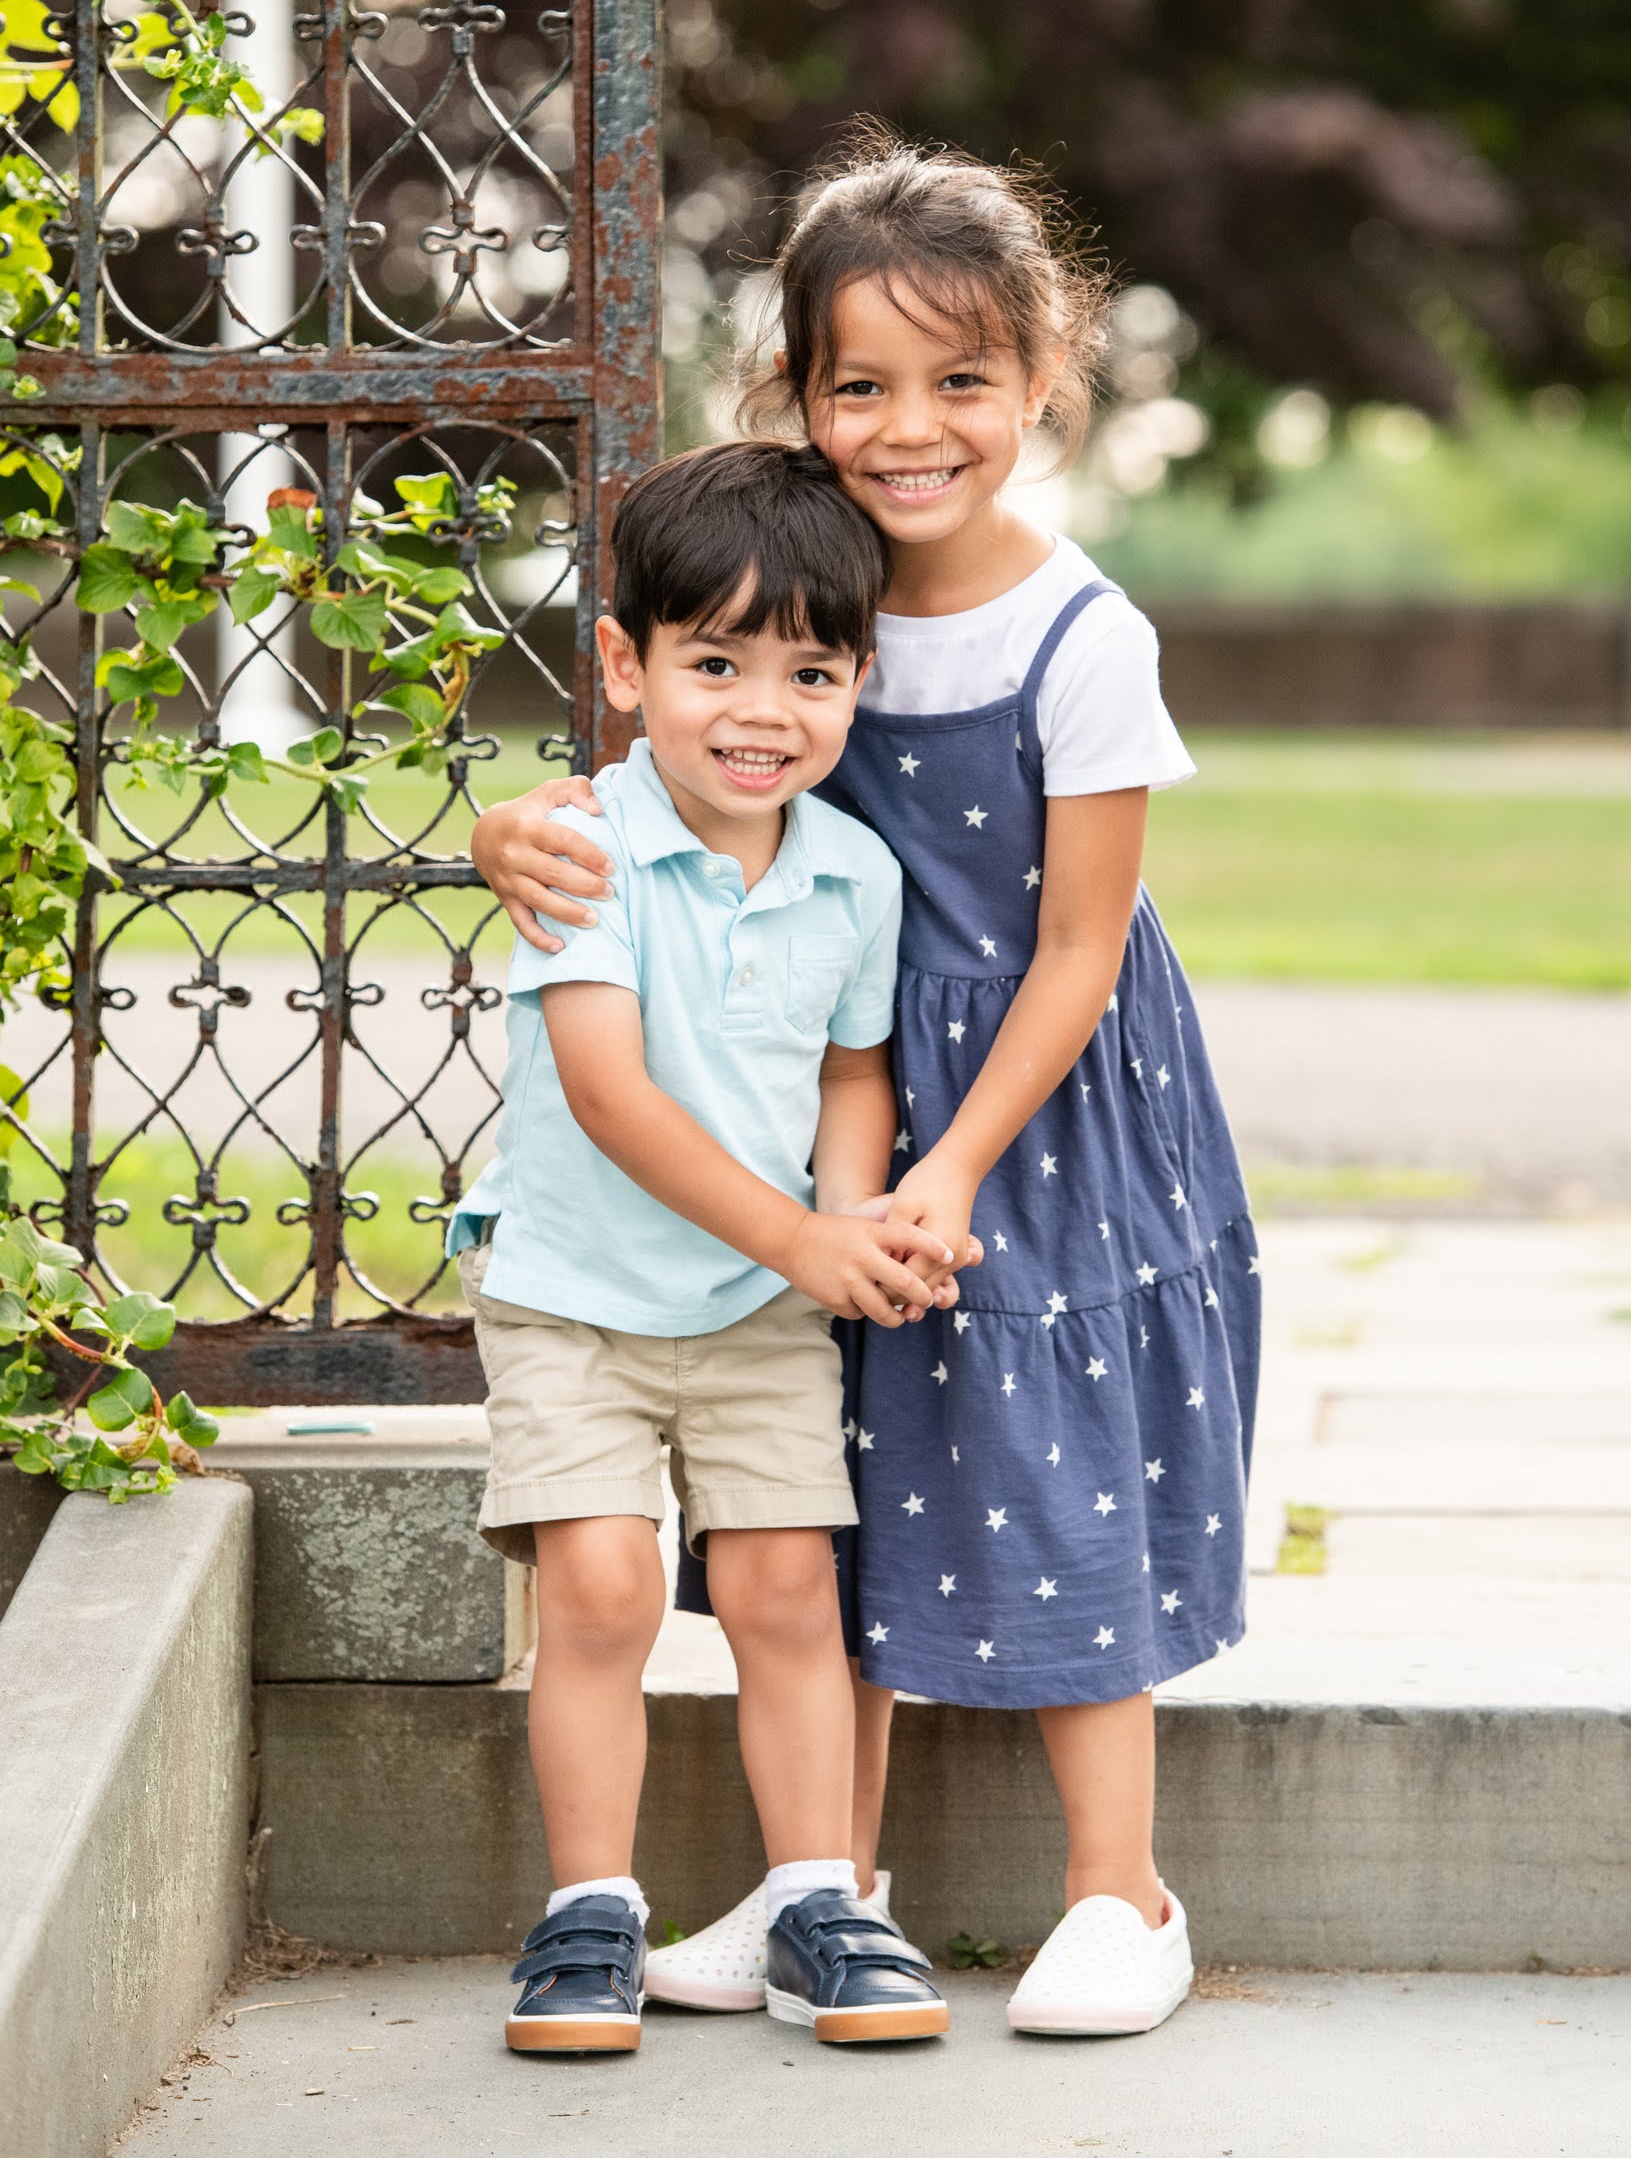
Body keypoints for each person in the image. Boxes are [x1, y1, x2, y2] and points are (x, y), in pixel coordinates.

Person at [470, 129, 1261, 2040]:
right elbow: (636, 790)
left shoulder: (1079, 634)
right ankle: (836, 1888)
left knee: (1072, 1451)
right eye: (860, 385)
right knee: (847, 1490)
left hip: (1031, 1111)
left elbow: (1076, 947)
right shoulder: (779, 592)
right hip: (835, 1112)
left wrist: (952, 1161)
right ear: (795, 395)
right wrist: (511, 830)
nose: (909, 426)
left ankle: (1117, 1890)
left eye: (960, 380)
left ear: (1042, 386)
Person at [449, 438, 960, 2055]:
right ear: (625, 662)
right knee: (600, 1585)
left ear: (859, 676)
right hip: (576, 1295)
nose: (762, 707)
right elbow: (607, 1094)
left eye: (810, 670)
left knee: (786, 1585)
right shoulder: (581, 844)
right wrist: (807, 1238)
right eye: (714, 660)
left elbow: (854, 1069)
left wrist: (855, 1224)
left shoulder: (853, 871)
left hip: (759, 1305)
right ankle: (586, 1911)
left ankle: (821, 1897)